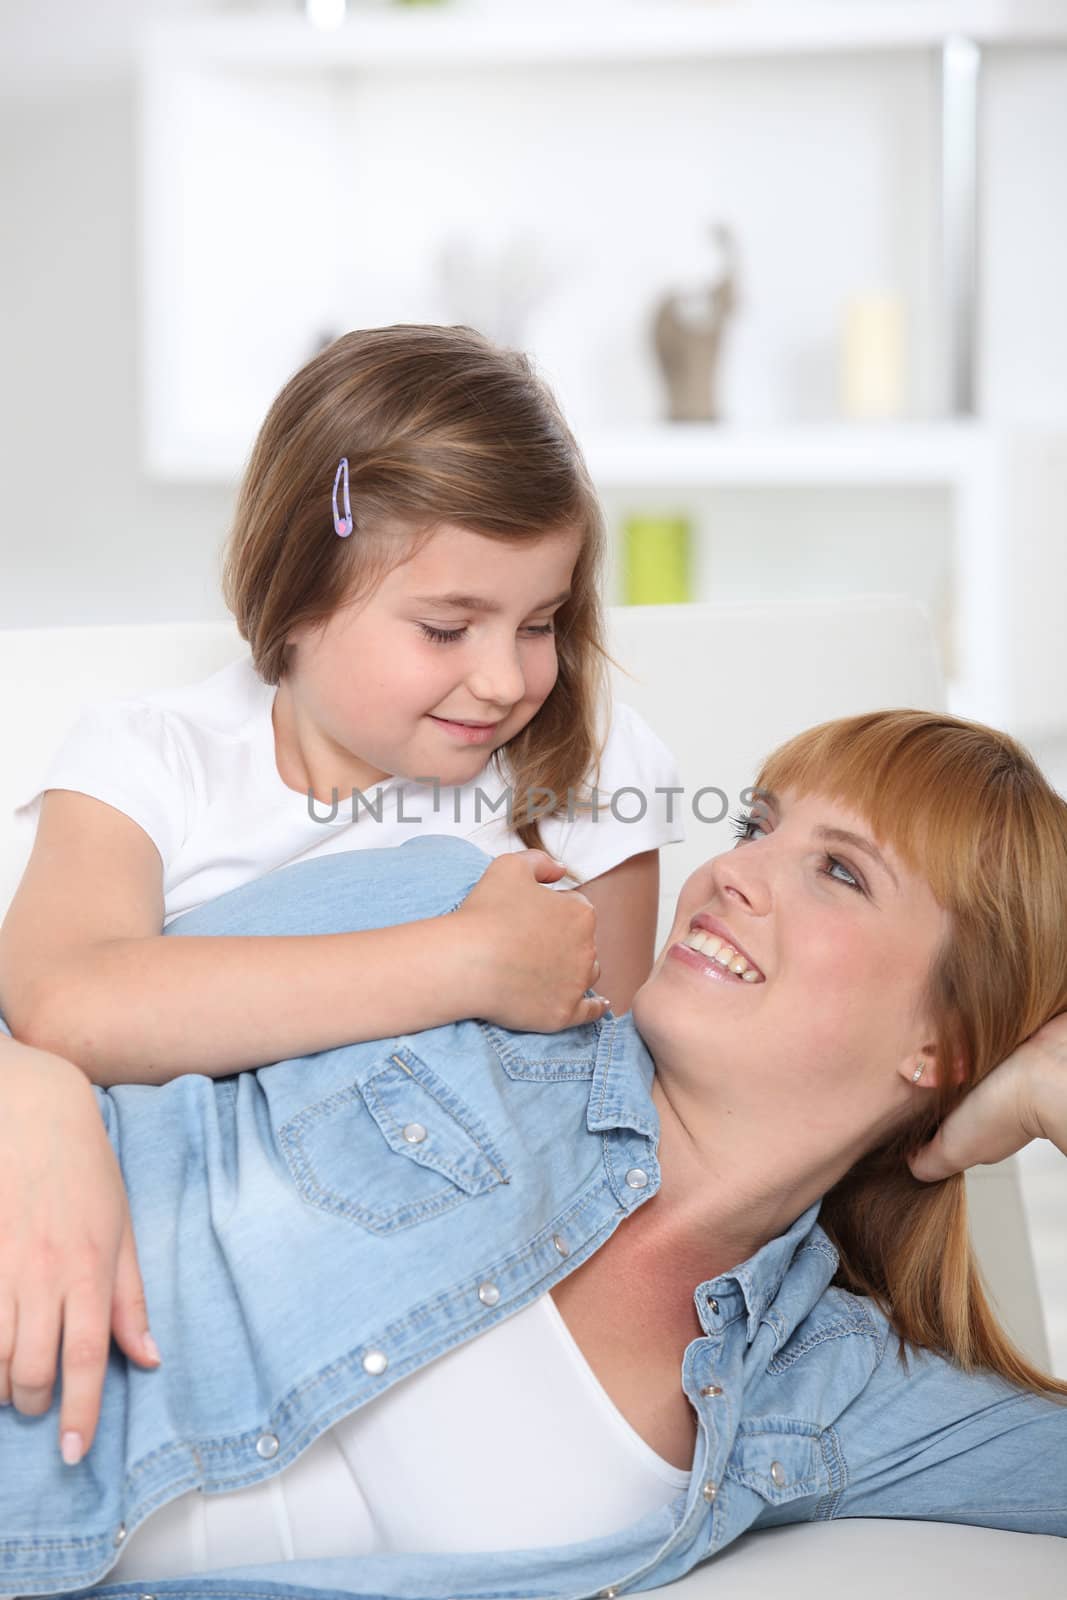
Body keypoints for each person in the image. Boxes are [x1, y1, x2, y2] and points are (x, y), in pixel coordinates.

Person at [0, 708, 1064, 1599]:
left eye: (837, 870)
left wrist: (1040, 1097)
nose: (733, 869)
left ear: (942, 1040)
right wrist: (28, 1084)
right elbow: (62, 1003)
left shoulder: (820, 1384)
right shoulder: (458, 928)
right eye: (754, 824)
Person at [0, 325, 682, 1449]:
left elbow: (598, 1116)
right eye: (446, 626)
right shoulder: (150, 759)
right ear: (296, 592)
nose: (504, 677)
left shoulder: (583, 770)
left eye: (541, 623)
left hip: (434, 1291)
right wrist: (463, 962)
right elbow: (67, 1004)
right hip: (172, 1250)